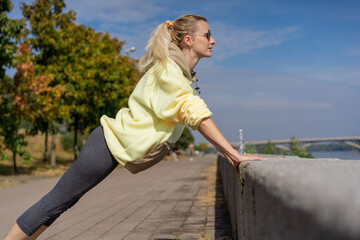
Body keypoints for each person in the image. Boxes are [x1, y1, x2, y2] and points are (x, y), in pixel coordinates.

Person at [5, 14, 266, 239]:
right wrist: (232, 154)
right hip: (106, 145)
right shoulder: (169, 73)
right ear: (189, 40)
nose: (213, 40)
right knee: (55, 202)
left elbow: (190, 107)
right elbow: (197, 115)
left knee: (62, 203)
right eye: (208, 35)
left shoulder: (175, 72)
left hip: (110, 145)